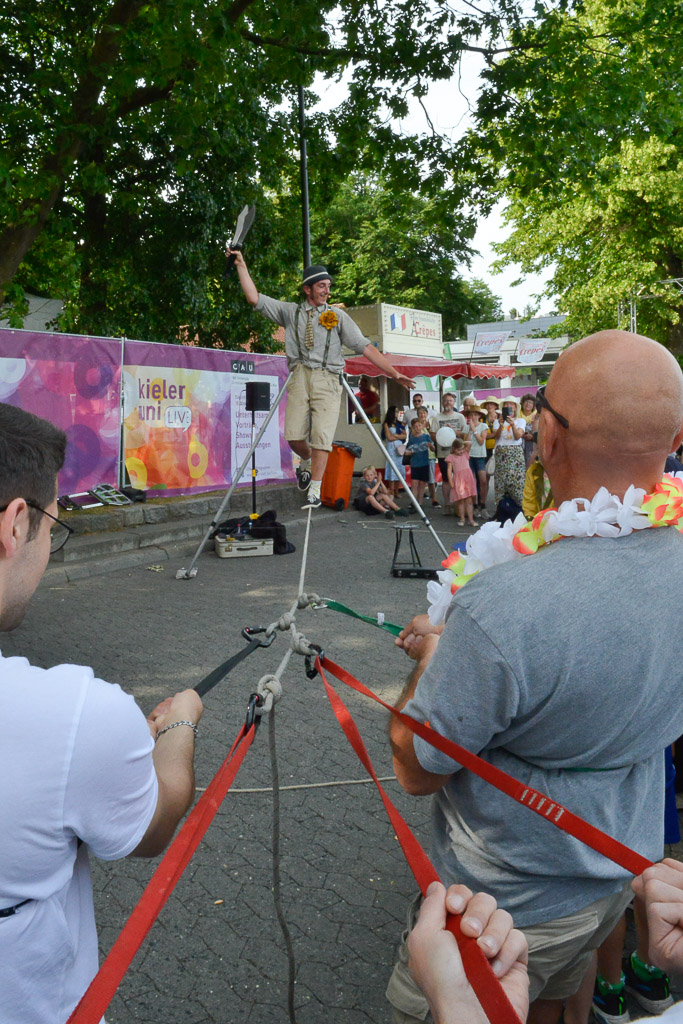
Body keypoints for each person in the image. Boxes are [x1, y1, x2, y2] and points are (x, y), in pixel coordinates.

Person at [386, 329, 683, 1024]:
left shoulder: (499, 607)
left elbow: (417, 767)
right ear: (674, 436)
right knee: (565, 990)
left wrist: (433, 662)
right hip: (620, 869)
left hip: (504, 904)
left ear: (546, 437)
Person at [0, 403, 204, 1023]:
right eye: (51, 529)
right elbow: (155, 823)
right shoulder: (75, 715)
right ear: (14, 525)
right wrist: (178, 729)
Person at [230, 252, 414, 508]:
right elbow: (254, 298)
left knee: (321, 437)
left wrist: (393, 373)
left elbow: (364, 347)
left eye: (328, 286)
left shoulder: (338, 317)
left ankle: (315, 489)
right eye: (321, 286)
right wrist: (241, 264)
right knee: (292, 435)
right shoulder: (290, 312)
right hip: (299, 376)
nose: (327, 291)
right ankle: (306, 462)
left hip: (328, 377)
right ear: (307, 289)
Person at [406, 860, 683, 1024]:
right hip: (610, 886)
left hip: (536, 901)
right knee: (562, 981)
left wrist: (457, 1014)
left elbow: (417, 778)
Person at [432, 393, 467, 513]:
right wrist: (442, 435)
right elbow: (432, 434)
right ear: (442, 402)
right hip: (443, 454)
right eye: (446, 401)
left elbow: (465, 434)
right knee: (446, 479)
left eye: (450, 401)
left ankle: (459, 504)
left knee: (459, 478)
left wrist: (453, 432)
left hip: (459, 454)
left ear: (454, 402)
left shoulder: (460, 417)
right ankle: (447, 504)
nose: (448, 403)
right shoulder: (437, 418)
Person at [492, 395, 527, 510]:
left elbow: (518, 437)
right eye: (506, 404)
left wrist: (512, 425)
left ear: (515, 408)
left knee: (517, 483)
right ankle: (501, 512)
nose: (508, 406)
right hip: (501, 454)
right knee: (500, 484)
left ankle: (521, 511)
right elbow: (495, 437)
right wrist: (501, 425)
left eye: (511, 404)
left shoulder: (520, 421)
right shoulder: (497, 422)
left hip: (515, 454)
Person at [445, 437, 477, 527]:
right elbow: (449, 470)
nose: (462, 451)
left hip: (468, 479)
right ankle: (462, 518)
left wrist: (462, 442)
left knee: (469, 500)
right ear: (454, 449)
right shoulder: (451, 457)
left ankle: (471, 519)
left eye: (463, 448)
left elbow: (470, 443)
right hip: (459, 480)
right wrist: (451, 482)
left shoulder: (465, 454)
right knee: (461, 501)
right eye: (459, 449)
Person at [415, 405, 442, 507]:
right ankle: (418, 500)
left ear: (427, 414)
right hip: (419, 456)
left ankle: (434, 499)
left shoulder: (431, 423)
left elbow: (434, 438)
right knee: (419, 480)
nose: (422, 415)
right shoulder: (416, 425)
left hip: (430, 454)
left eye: (424, 413)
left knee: (431, 479)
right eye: (420, 413)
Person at [405, 419, 435, 506]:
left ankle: (420, 502)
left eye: (419, 426)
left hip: (424, 463)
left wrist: (431, 445)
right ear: (413, 428)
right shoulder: (412, 439)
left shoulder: (426, 436)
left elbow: (433, 449)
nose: (417, 428)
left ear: (422, 426)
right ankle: (414, 502)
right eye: (415, 427)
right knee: (414, 484)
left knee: (422, 484)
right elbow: (408, 450)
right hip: (415, 463)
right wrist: (409, 452)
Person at [467, 406, 489, 518]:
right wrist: (470, 429)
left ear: (479, 416)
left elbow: (481, 441)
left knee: (483, 480)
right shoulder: (467, 427)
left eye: (475, 414)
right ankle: (475, 506)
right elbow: (466, 441)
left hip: (480, 455)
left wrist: (474, 430)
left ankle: (483, 504)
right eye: (472, 414)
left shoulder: (483, 426)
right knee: (473, 481)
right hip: (470, 456)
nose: (473, 417)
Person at [382, 405, 408, 497]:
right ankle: (391, 491)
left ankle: (397, 490)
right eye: (396, 411)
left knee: (399, 467)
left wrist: (395, 435)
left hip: (399, 447)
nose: (397, 413)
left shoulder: (400, 424)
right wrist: (398, 435)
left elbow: (405, 436)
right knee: (392, 468)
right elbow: (388, 437)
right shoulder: (386, 424)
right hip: (391, 448)